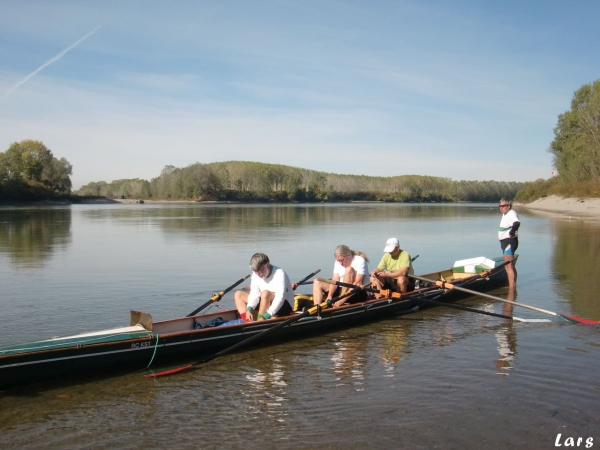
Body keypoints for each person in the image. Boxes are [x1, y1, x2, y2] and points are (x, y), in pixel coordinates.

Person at [234, 253, 294, 322]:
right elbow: (254, 294)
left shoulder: (279, 273)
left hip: (284, 305)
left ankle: (260, 321)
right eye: (256, 271)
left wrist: (266, 316)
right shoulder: (255, 274)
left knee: (265, 293)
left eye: (261, 270)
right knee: (238, 294)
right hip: (265, 301)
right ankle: (246, 321)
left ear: (267, 265)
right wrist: (249, 309)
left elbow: (280, 298)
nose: (258, 274)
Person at [498, 197, 520, 288]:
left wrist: (511, 232)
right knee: (510, 266)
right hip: (505, 242)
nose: (501, 207)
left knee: (508, 266)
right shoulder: (505, 214)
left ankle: (511, 289)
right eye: (500, 206)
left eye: (503, 206)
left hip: (509, 242)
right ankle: (513, 286)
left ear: (509, 206)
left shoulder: (511, 213)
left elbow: (517, 223)